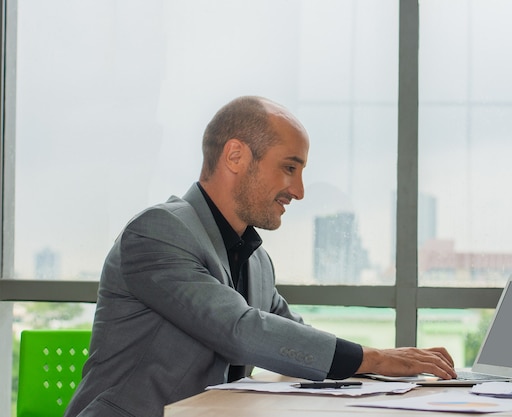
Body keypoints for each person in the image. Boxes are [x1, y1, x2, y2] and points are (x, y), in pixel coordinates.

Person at [64, 96, 456, 417]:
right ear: (235, 156)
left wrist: (392, 372)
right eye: (289, 168)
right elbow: (243, 331)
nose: (299, 191)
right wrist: (378, 359)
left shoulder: (256, 260)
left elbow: (295, 339)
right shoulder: (157, 232)